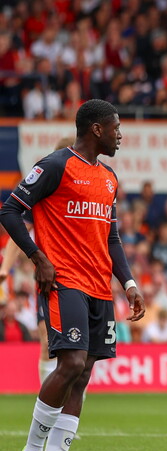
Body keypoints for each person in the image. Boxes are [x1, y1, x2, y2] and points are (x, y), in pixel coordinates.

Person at [2, 100, 145, 451]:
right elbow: (10, 210)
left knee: (82, 374)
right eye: (115, 127)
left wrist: (129, 283)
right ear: (96, 129)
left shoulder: (110, 178)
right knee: (70, 363)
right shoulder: (55, 165)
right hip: (65, 281)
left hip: (101, 286)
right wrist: (37, 258)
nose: (120, 134)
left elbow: (111, 236)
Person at [1, 136, 73, 383]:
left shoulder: (91, 189)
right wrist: (5, 268)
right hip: (50, 276)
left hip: (84, 276)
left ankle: (71, 405)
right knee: (47, 340)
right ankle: (49, 399)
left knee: (81, 349)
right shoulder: (43, 193)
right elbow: (17, 233)